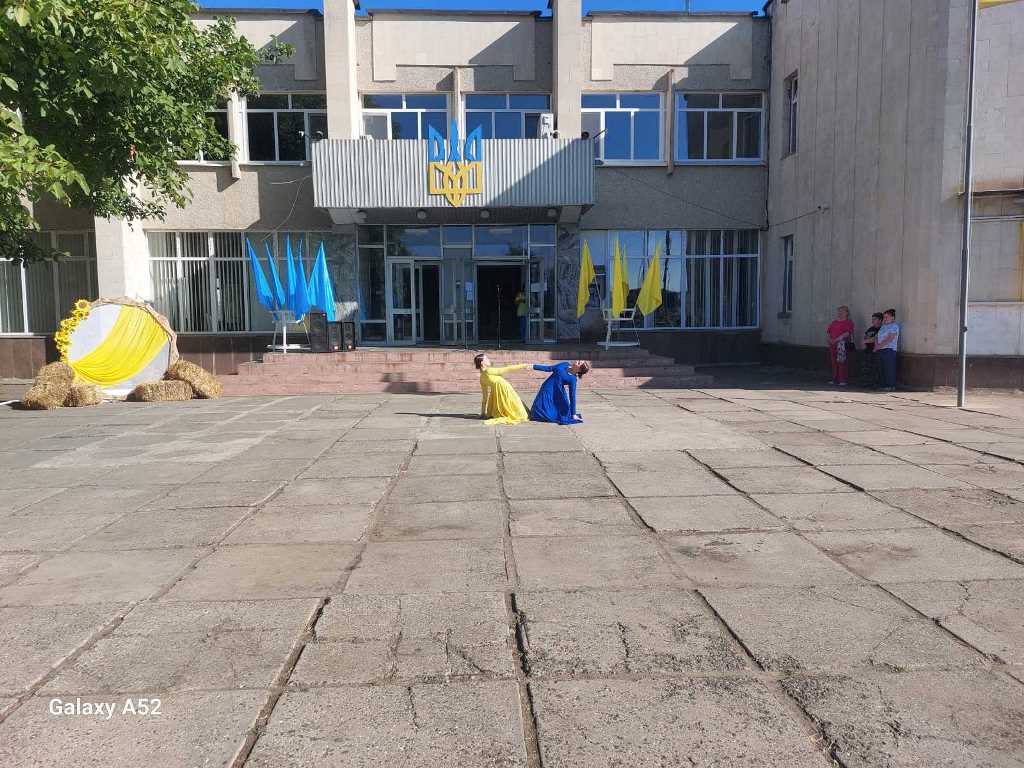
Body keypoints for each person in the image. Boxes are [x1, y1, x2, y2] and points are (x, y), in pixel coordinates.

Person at [476, 353, 531, 425]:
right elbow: (507, 369)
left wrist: (483, 413)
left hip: (498, 392)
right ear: (482, 363)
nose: (488, 360)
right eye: (486, 359)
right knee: (518, 409)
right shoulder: (488, 371)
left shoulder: (482, 378)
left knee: (512, 405)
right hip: (504, 390)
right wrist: (523, 365)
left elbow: (485, 397)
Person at [529, 360, 591, 425]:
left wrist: (573, 414)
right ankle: (536, 415)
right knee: (539, 404)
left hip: (557, 393)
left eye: (578, 363)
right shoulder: (565, 364)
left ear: (579, 370)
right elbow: (549, 368)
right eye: (578, 361)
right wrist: (532, 366)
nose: (576, 361)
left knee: (554, 413)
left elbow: (572, 396)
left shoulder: (573, 379)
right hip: (547, 387)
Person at [826, 305, 855, 386]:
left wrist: (836, 340)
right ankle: (835, 379)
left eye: (842, 311)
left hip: (842, 345)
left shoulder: (848, 322)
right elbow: (829, 332)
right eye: (839, 311)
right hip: (833, 345)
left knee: (842, 362)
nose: (840, 313)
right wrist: (830, 339)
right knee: (834, 362)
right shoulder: (834, 322)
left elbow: (847, 333)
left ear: (846, 313)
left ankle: (843, 379)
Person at [875, 308, 900, 391]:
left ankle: (890, 385)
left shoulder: (894, 326)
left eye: (887, 317)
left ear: (892, 317)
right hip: (880, 350)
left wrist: (879, 346)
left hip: (889, 350)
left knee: (889, 368)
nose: (885, 319)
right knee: (881, 368)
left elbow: (890, 338)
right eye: (884, 317)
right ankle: (883, 385)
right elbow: (877, 337)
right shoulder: (883, 327)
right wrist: (877, 346)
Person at [860, 312, 883, 388]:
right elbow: (865, 337)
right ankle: (866, 383)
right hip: (867, 351)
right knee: (866, 368)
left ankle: (875, 384)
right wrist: (863, 343)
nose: (872, 321)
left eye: (874, 319)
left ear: (880, 320)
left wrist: (865, 341)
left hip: (875, 351)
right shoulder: (870, 329)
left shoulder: (882, 329)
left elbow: (876, 338)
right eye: (872, 319)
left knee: (875, 369)